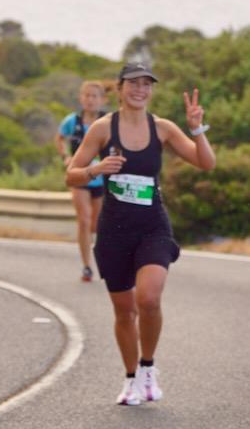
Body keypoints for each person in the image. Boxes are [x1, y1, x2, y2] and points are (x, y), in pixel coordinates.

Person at [66, 63, 214, 406]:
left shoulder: (161, 128)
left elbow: (205, 162)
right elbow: (71, 175)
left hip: (152, 227)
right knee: (123, 312)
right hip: (115, 231)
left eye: (147, 84)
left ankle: (148, 367)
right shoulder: (102, 130)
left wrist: (197, 129)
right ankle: (131, 377)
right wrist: (96, 170)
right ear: (119, 88)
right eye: (133, 83)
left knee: (148, 299)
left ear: (152, 91)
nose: (140, 89)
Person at [55, 81, 109, 282]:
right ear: (81, 98)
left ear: (103, 100)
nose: (90, 100)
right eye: (86, 95)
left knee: (97, 224)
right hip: (80, 177)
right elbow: (60, 138)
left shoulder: (108, 122)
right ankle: (87, 266)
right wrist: (66, 157)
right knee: (84, 220)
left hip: (102, 180)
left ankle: (101, 255)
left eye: (94, 96)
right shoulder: (72, 121)